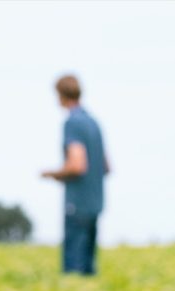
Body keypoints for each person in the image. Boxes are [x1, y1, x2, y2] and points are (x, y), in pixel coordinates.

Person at [42, 75, 110, 275]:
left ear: (60, 95)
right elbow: (106, 167)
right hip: (96, 201)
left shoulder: (72, 122)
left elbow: (77, 165)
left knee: (74, 268)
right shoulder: (93, 122)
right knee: (89, 267)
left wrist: (53, 174)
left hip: (77, 202)